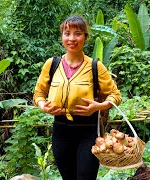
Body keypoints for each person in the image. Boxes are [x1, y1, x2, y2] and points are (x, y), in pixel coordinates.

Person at [33, 15, 122, 180]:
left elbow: (115, 95)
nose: (72, 38)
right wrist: (43, 105)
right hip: (61, 131)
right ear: (62, 37)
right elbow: (38, 93)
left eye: (78, 33)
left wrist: (97, 107)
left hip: (88, 132)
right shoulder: (52, 64)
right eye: (67, 33)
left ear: (85, 37)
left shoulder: (95, 66)